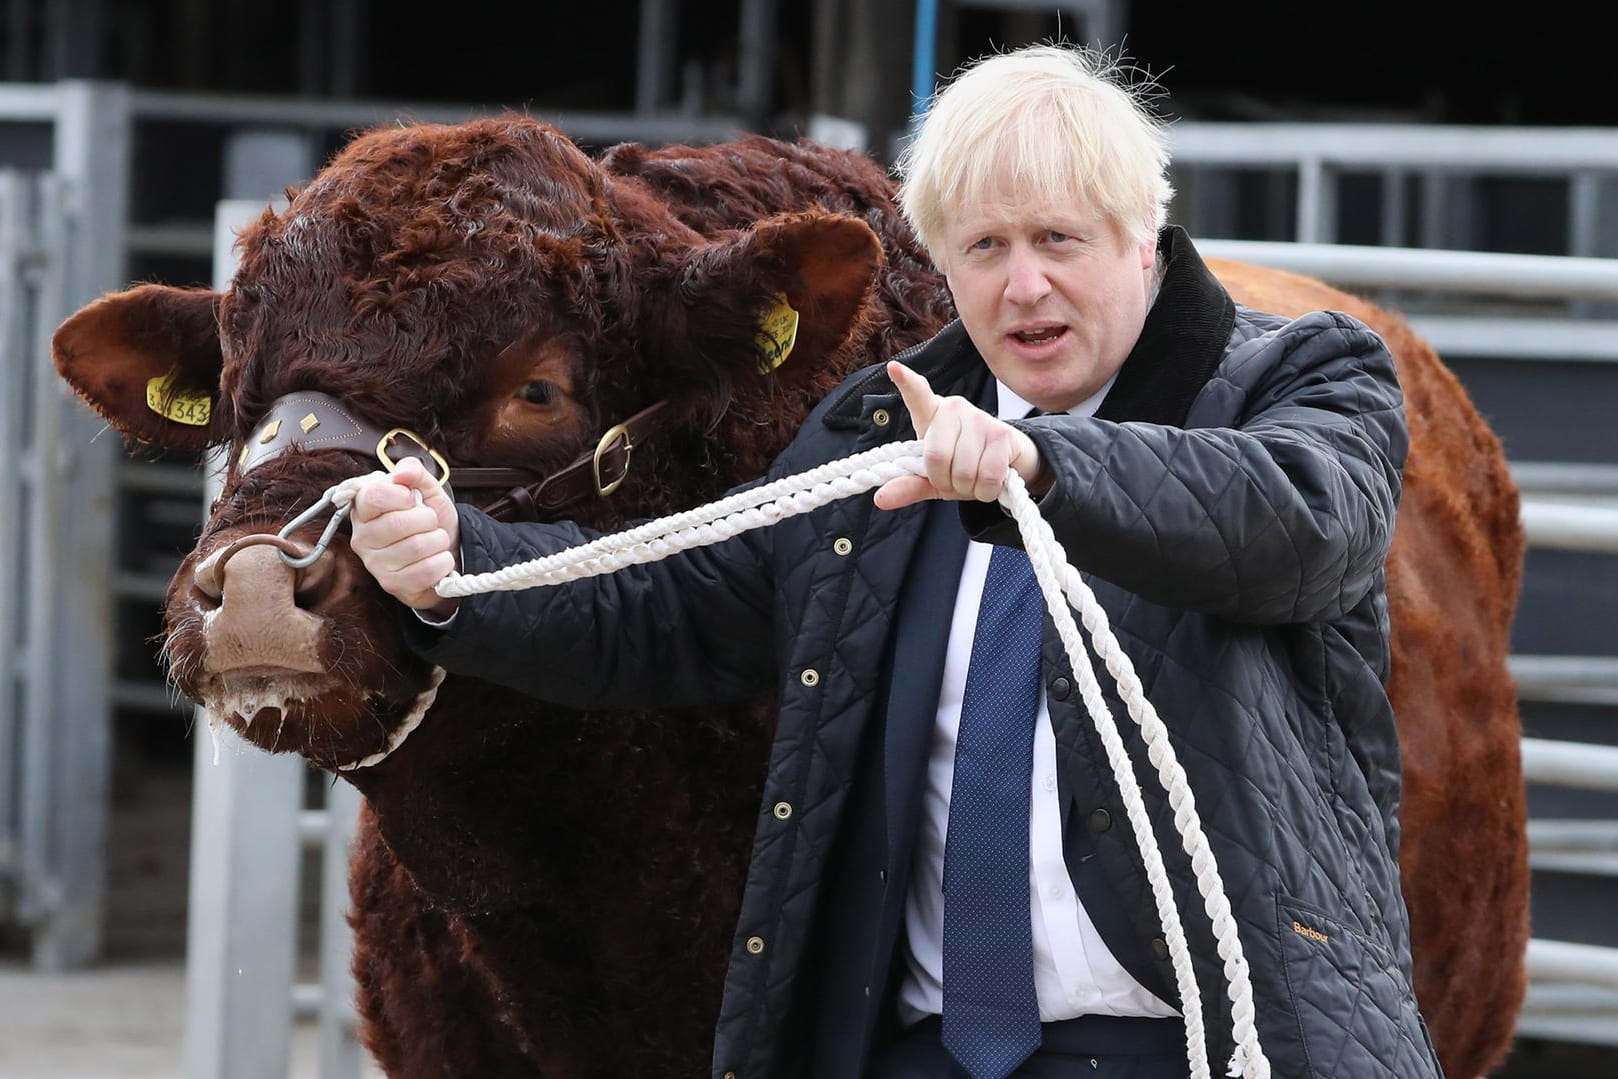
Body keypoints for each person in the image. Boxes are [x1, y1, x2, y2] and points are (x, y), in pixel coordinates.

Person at [350, 43, 1441, 1079]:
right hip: (915, 1049)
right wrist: (458, 565)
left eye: (1058, 240)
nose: (1023, 288)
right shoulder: (878, 428)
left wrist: (1044, 464)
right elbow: (673, 607)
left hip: (1200, 1045)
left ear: (1144, 236)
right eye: (983, 247)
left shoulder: (1304, 377)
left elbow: (1302, 525)